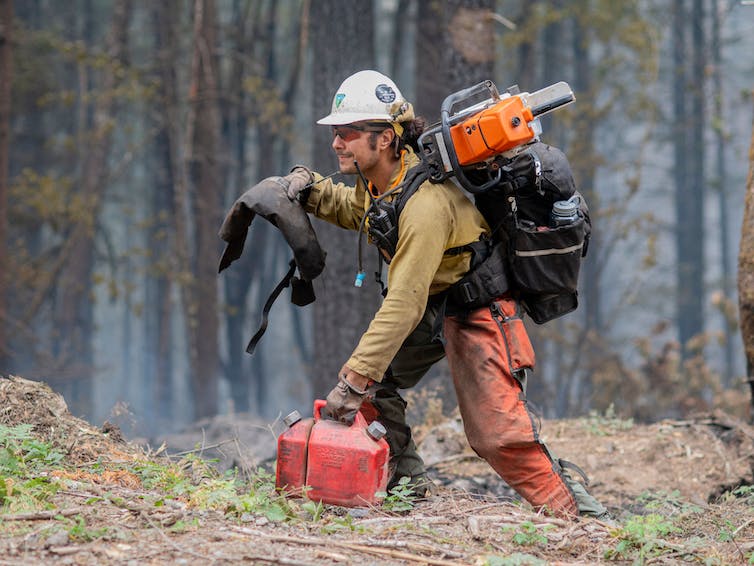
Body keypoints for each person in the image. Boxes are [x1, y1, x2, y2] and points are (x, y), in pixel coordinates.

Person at [280, 69, 607, 519]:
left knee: (498, 437)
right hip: (438, 305)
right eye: (337, 133)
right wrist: (305, 189)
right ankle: (403, 490)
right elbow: (360, 209)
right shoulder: (387, 182)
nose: (337, 142)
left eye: (349, 133)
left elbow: (404, 302)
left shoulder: (426, 205)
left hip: (478, 308)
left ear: (387, 139)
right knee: (375, 387)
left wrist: (352, 380)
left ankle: (583, 521)